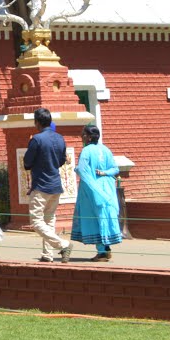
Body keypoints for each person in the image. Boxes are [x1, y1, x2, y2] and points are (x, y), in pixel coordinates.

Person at [23, 106, 73, 263]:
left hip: (41, 186)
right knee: (49, 220)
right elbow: (61, 161)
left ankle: (63, 244)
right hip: (55, 185)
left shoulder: (36, 139)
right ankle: (47, 254)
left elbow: (27, 163)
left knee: (36, 221)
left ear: (37, 122)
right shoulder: (60, 138)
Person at [72, 124, 124, 261]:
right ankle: (106, 248)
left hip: (91, 189)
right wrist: (104, 173)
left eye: (83, 135)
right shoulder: (106, 149)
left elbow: (83, 171)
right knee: (105, 217)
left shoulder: (86, 151)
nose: (82, 137)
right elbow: (115, 169)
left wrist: (75, 169)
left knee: (95, 219)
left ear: (88, 137)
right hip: (107, 188)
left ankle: (102, 251)